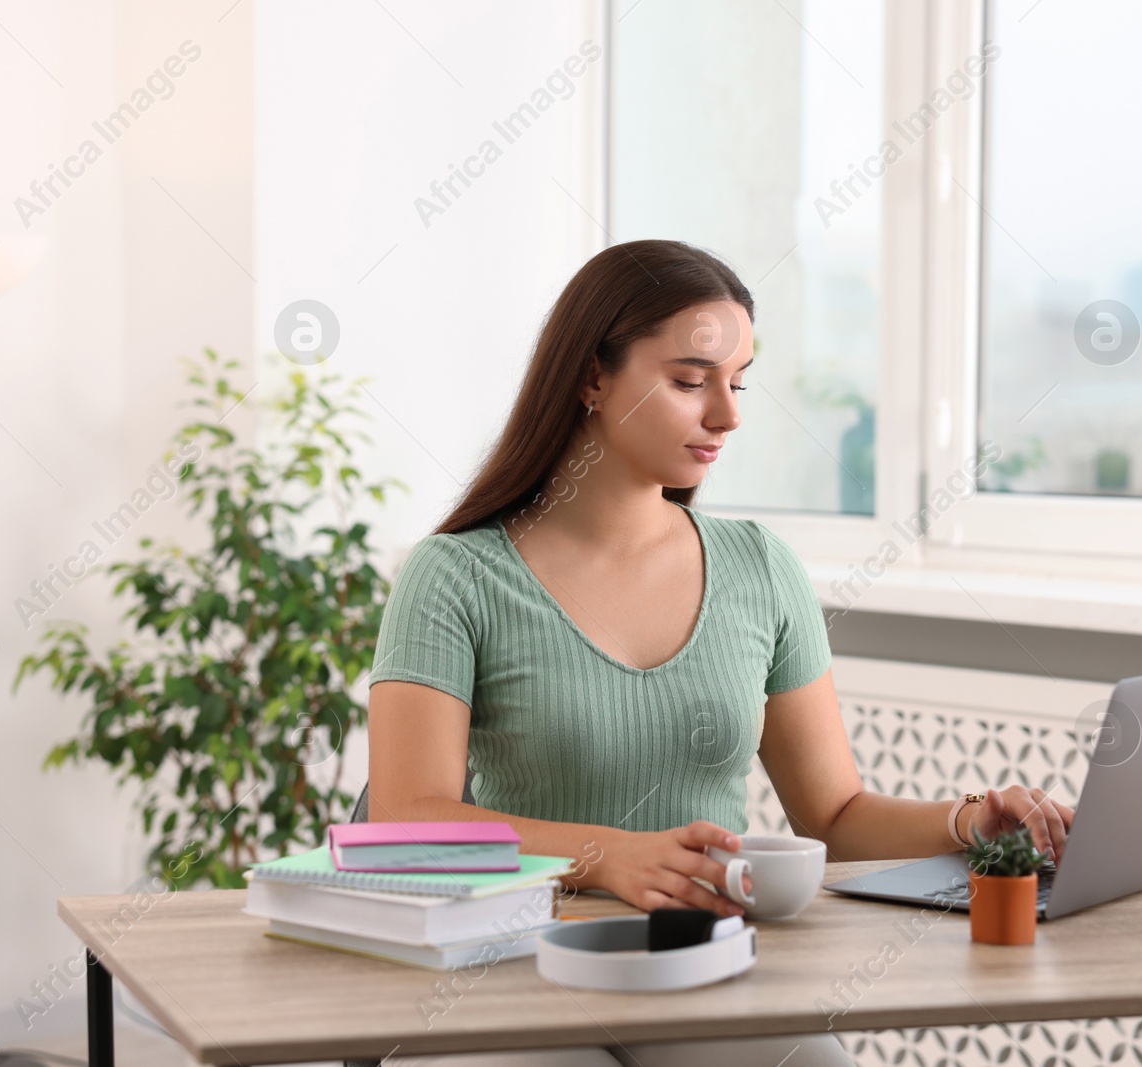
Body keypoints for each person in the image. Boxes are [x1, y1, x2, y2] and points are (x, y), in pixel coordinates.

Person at [364, 239, 1074, 1067]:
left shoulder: (759, 567)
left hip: (703, 966)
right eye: (690, 381)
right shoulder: (455, 576)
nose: (727, 415)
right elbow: (409, 819)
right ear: (593, 377)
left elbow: (835, 816)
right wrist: (609, 855)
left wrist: (964, 821)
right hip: (508, 966)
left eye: (737, 383)